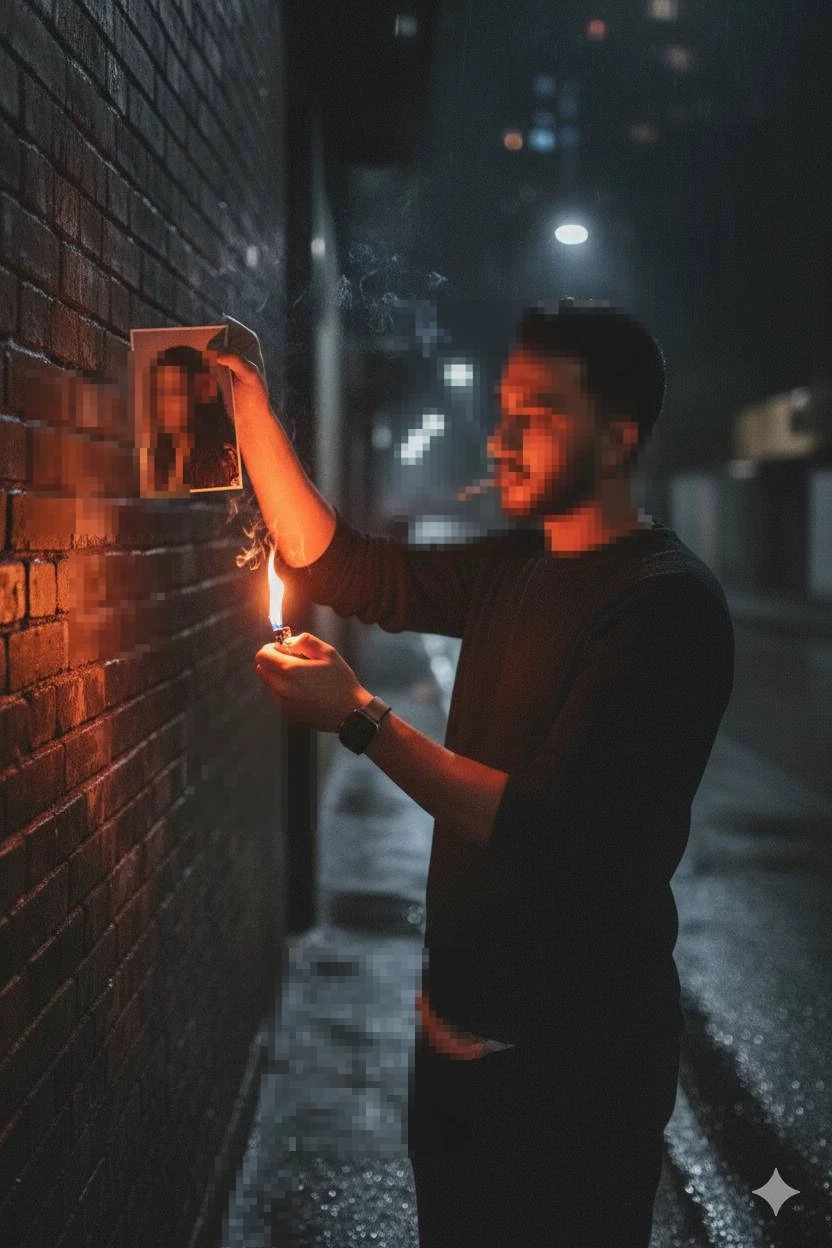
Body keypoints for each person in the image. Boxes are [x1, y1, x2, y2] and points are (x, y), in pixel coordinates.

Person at [211, 304, 734, 1247]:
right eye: (501, 410)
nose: (499, 439)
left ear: (616, 439)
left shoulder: (665, 610)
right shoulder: (519, 565)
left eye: (534, 412)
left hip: (572, 1080)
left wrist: (361, 719)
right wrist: (249, 410)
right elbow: (345, 566)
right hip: (453, 1052)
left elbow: (549, 832)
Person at [146, 345, 240, 494]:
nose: (163, 403)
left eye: (173, 391)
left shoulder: (226, 458)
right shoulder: (151, 457)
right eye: (158, 392)